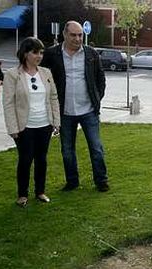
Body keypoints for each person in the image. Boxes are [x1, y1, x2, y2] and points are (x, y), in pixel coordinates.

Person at [41, 21, 108, 192]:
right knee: (67, 151)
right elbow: (44, 79)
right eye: (73, 35)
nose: (78, 39)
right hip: (65, 112)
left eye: (80, 35)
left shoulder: (91, 53)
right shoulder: (52, 54)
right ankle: (72, 182)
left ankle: (101, 181)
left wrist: (96, 100)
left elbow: (101, 79)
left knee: (96, 148)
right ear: (64, 34)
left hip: (88, 111)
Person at [3, 37, 60, 206]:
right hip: (24, 126)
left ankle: (40, 192)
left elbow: (53, 98)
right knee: (26, 159)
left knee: (41, 159)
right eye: (35, 52)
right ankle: (22, 195)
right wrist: (12, 127)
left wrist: (56, 121)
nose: (39, 56)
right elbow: (8, 104)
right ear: (25, 53)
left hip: (44, 124)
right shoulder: (13, 75)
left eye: (41, 52)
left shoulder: (46, 73)